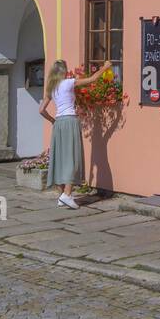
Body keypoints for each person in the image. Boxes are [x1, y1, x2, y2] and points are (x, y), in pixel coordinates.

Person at [40, 58, 110, 208]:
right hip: (70, 121)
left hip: (58, 124)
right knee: (72, 158)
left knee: (59, 159)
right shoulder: (68, 82)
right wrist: (105, 67)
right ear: (64, 71)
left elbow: (41, 110)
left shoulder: (51, 88)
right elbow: (92, 79)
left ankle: (62, 195)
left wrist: (53, 121)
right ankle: (67, 194)